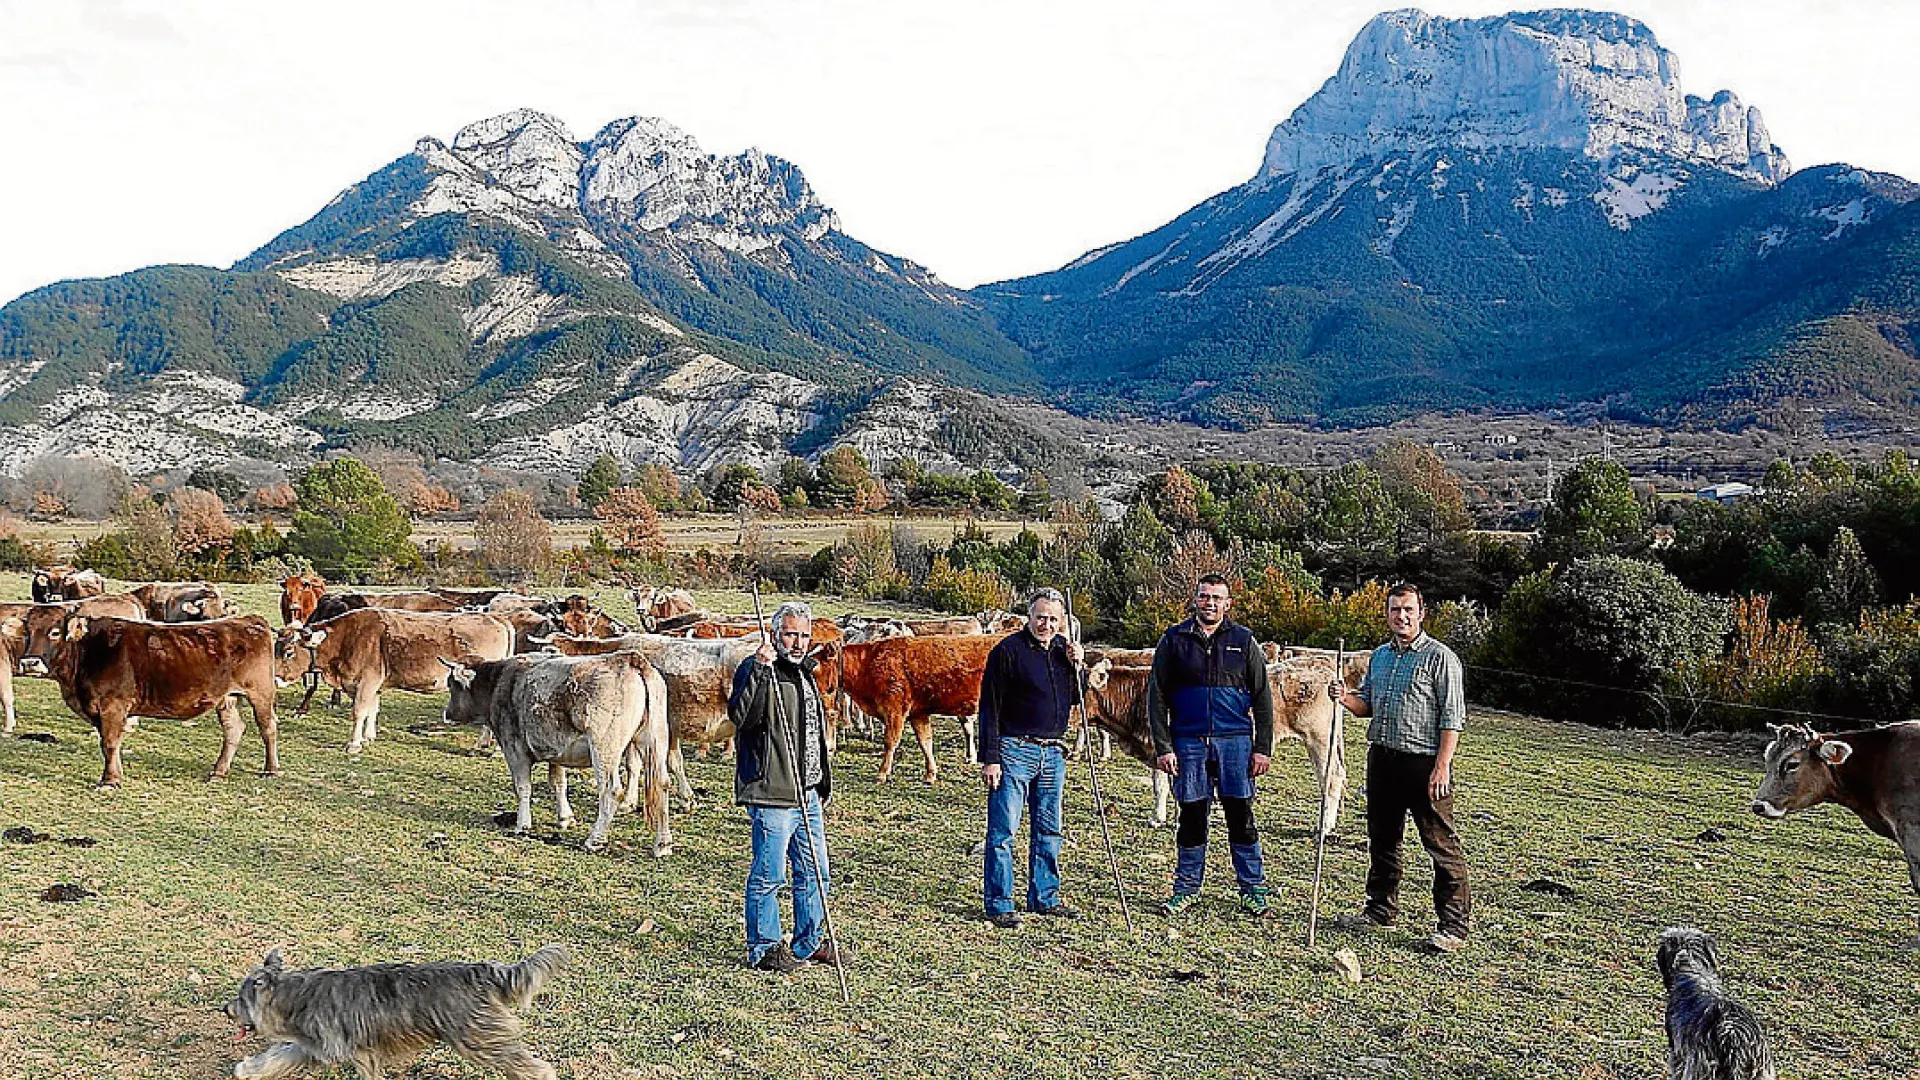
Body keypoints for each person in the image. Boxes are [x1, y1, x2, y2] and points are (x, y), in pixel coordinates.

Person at [1328, 582, 1473, 953]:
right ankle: (1380, 910)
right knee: (1383, 840)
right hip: (1383, 759)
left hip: (1424, 763)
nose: (1402, 616)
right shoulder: (1380, 657)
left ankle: (1453, 927)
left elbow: (1452, 718)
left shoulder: (1441, 659)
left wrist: (1442, 767)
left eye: (1408, 609)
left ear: (1421, 613)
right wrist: (1343, 697)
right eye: (1395, 609)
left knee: (1440, 844)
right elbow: (1367, 705)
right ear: (1387, 613)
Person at [1146, 573, 1276, 917]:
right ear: (1195, 599)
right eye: (1205, 596)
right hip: (1188, 742)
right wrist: (1163, 746)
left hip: (1234, 742)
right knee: (1191, 815)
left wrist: (1262, 746)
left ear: (1228, 603)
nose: (1211, 603)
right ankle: (1186, 888)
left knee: (1240, 815)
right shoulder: (1173, 640)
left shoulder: (1244, 641)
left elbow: (1263, 698)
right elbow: (1156, 696)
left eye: (1217, 598)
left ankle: (1252, 888)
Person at [729, 600, 843, 973]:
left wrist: (820, 783)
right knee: (770, 874)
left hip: (807, 792)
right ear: (775, 633)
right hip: (773, 791)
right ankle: (764, 947)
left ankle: (808, 942)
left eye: (804, 635)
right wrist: (761, 669)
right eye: (791, 634)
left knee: (815, 871)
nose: (798, 642)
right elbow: (741, 718)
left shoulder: (805, 673)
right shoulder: (756, 668)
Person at [976, 587, 1085, 929]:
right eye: (1041, 617)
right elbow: (989, 707)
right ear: (1029, 616)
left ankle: (1044, 897)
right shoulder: (1007, 652)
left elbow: (1074, 699)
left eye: (1053, 619)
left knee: (1049, 830)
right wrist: (990, 757)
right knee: (1003, 831)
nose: (1046, 624)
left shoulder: (1062, 654)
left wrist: (1077, 665)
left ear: (1063, 621)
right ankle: (999, 903)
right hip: (1014, 749)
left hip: (1053, 751)